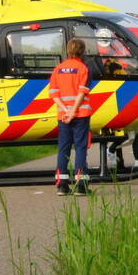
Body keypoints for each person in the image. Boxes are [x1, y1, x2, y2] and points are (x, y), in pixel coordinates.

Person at [49, 39, 92, 196]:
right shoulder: (83, 68)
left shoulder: (58, 69)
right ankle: (81, 185)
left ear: (68, 51)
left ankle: (62, 185)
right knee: (80, 148)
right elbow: (82, 92)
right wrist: (73, 111)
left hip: (63, 116)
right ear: (83, 51)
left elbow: (53, 94)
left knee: (63, 148)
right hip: (80, 115)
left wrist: (65, 110)